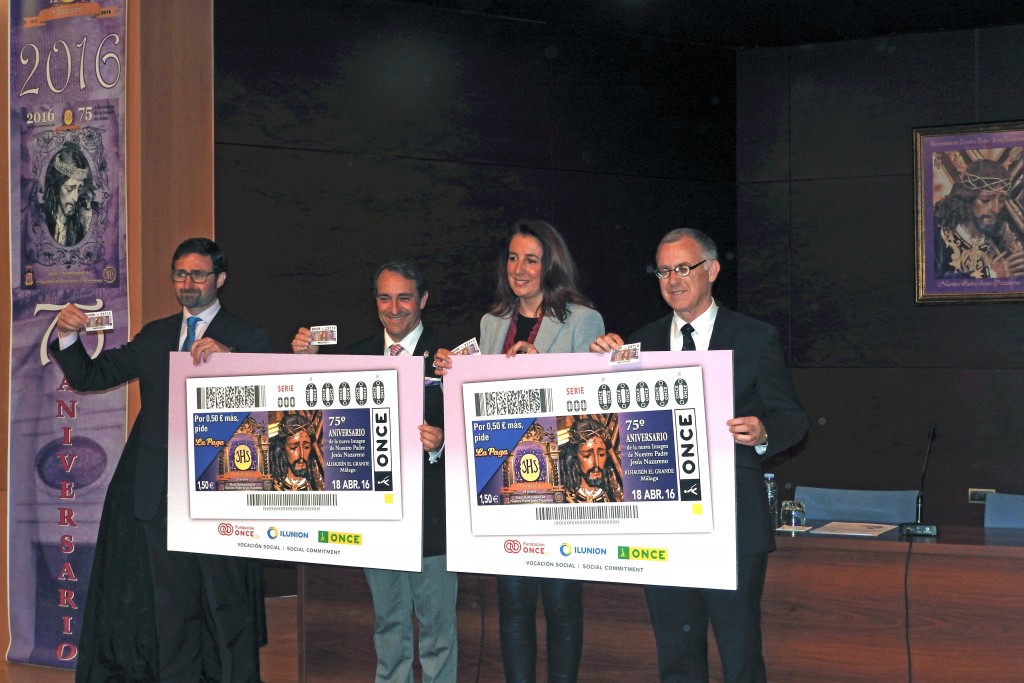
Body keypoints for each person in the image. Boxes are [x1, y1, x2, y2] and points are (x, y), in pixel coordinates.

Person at [589, 228, 808, 683]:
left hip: (733, 522)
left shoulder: (754, 337)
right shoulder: (638, 345)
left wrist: (764, 432)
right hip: (663, 524)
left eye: (683, 268)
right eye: (664, 271)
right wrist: (599, 367)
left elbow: (794, 419)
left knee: (739, 651)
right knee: (676, 654)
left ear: (711, 270)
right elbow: (606, 424)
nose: (672, 280)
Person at [51, 237, 269, 682]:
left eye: (199, 274)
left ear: (220, 280)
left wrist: (236, 362)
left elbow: (275, 404)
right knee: (169, 606)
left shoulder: (249, 337)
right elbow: (92, 375)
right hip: (156, 493)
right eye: (180, 274)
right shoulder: (155, 335)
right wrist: (68, 335)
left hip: (222, 491)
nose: (188, 283)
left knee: (222, 603)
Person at [434, 219, 605, 683]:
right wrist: (455, 372)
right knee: (512, 605)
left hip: (561, 491)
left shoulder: (582, 319)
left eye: (531, 259)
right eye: (513, 258)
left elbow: (592, 405)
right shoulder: (492, 325)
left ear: (551, 265)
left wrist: (543, 368)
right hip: (506, 487)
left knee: (562, 604)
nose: (520, 268)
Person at [291, 259, 457, 683]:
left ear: (423, 300)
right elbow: (314, 419)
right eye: (385, 297)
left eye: (404, 297)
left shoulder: (453, 358)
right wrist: (305, 363)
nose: (395, 307)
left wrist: (442, 444)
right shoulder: (352, 357)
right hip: (376, 521)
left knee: (438, 635)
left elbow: (481, 440)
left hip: (433, 522)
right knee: (388, 629)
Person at [933, 158, 1024, 278]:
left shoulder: (999, 242)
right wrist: (988, 274)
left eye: (1001, 201)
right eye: (986, 200)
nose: (996, 209)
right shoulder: (936, 231)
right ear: (967, 198)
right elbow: (931, 283)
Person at [40, 144, 96, 247]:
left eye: (79, 189)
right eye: (70, 188)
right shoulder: (39, 218)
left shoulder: (79, 225)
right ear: (56, 187)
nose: (75, 197)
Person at [559, 416, 623, 503]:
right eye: (587, 455)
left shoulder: (615, 496)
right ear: (575, 457)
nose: (596, 463)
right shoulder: (564, 498)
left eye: (601, 454)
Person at [268, 412, 325, 491]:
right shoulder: (272, 487)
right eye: (293, 448)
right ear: (283, 448)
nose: (301, 455)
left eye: (306, 447)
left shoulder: (317, 487)